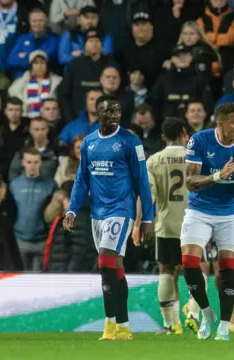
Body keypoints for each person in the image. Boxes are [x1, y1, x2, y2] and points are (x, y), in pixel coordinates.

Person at [64, 94, 155, 340]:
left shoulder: (130, 141)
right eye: (108, 111)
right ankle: (125, 326)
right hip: (97, 213)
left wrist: (147, 217)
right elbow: (82, 179)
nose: (114, 115)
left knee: (105, 262)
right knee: (115, 267)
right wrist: (72, 209)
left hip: (121, 210)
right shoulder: (89, 142)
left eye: (117, 111)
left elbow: (142, 181)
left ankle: (109, 324)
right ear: (97, 112)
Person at [181, 102, 234, 341]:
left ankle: (224, 325)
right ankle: (206, 312)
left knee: (227, 269)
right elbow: (190, 181)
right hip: (200, 209)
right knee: (189, 264)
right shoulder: (199, 140)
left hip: (230, 212)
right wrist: (218, 176)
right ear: (220, 123)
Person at [131, 117, 189, 335]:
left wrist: (139, 224)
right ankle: (195, 315)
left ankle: (170, 325)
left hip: (167, 224)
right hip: (194, 225)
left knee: (166, 271)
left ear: (163, 137)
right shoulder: (194, 159)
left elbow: (147, 197)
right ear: (184, 133)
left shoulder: (154, 161)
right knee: (196, 269)